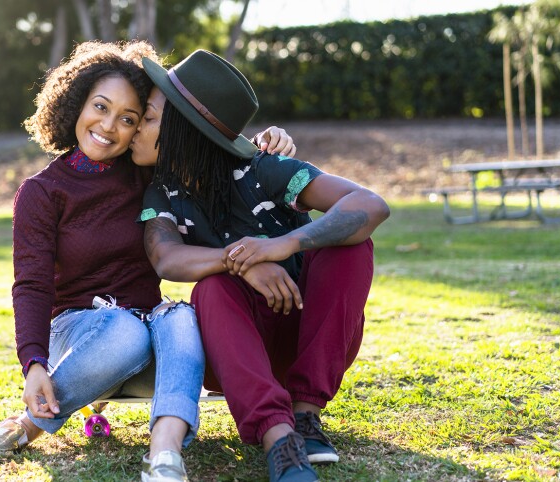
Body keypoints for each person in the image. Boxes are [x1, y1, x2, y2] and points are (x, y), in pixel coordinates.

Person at [0, 41, 295, 482]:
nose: (109, 126)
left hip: (148, 340)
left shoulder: (150, 175)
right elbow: (31, 285)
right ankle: (32, 422)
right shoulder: (42, 192)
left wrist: (263, 146)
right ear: (75, 105)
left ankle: (164, 457)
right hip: (82, 340)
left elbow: (208, 156)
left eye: (128, 119)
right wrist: (33, 365)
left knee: (181, 317)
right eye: (100, 107)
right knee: (126, 331)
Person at [129, 49, 390, 482]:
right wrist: (240, 262)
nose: (137, 127)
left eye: (150, 118)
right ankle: (280, 439)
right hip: (232, 355)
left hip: (309, 340)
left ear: (185, 131)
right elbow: (165, 257)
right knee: (210, 288)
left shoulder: (265, 171)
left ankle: (306, 416)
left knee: (352, 248)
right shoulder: (162, 193)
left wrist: (281, 245)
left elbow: (370, 205)